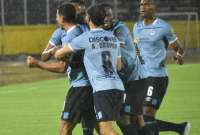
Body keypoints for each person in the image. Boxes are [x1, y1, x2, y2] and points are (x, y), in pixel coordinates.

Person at [55, 4, 124, 135]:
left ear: (89, 18)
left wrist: (57, 51)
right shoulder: (113, 38)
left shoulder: (85, 38)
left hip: (102, 88)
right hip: (117, 86)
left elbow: (59, 54)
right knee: (101, 128)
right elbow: (119, 66)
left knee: (105, 130)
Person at [27, 3, 96, 135]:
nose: (56, 18)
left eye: (57, 16)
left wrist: (37, 64)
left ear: (62, 18)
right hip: (91, 85)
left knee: (64, 128)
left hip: (80, 87)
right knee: (92, 129)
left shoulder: (71, 36)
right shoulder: (81, 30)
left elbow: (62, 68)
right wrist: (54, 50)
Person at [133, 0, 191, 135]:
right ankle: (180, 128)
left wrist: (178, 56)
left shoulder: (163, 27)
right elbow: (136, 47)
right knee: (139, 119)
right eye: (141, 4)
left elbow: (178, 48)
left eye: (146, 4)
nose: (142, 7)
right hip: (140, 78)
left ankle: (179, 128)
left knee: (146, 114)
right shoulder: (137, 26)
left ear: (153, 6)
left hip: (156, 77)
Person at [100, 3, 144, 135]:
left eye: (108, 15)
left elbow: (114, 45)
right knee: (136, 118)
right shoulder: (103, 31)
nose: (106, 18)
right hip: (123, 81)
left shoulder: (120, 28)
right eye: (103, 16)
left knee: (124, 119)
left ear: (113, 16)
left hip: (133, 79)